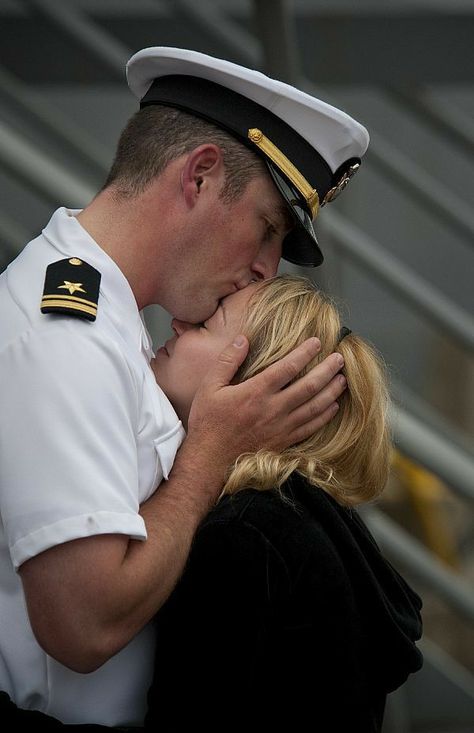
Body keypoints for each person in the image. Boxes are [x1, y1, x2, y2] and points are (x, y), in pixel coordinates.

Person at [0, 47, 369, 725]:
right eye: (266, 229)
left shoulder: (108, 320)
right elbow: (82, 627)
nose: (264, 270)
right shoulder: (64, 334)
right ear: (199, 175)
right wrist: (210, 454)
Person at [0, 275, 423, 731]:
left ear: (256, 382)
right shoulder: (310, 521)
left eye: (206, 323)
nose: (180, 322)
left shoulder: (245, 539)